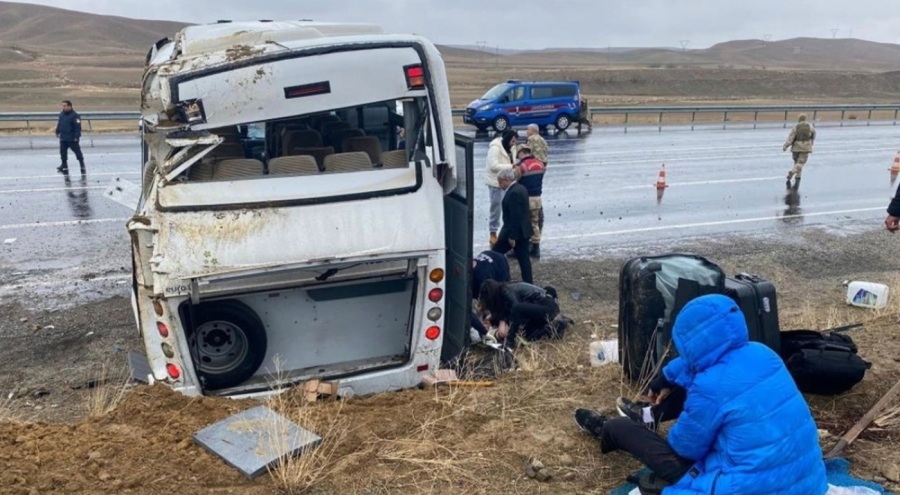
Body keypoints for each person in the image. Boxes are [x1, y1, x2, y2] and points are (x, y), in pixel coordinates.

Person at [574, 294, 827, 495]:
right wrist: (666, 377)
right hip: (806, 482)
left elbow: (685, 448)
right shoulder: (763, 353)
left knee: (621, 427)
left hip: (743, 487)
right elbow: (708, 367)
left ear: (689, 341)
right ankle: (648, 416)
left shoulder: (709, 387)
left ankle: (606, 428)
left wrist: (683, 413)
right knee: (705, 397)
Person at [477, 279, 569, 346]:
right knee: (529, 336)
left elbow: (517, 312)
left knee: (517, 313)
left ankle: (510, 342)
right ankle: (556, 327)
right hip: (539, 309)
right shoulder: (503, 292)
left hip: (547, 307)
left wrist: (507, 330)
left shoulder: (507, 292)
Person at [492, 168, 533, 284]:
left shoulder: (514, 193)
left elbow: (515, 216)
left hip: (513, 232)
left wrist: (512, 236)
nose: (500, 185)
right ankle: (528, 282)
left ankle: (499, 278)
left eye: (500, 182)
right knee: (524, 259)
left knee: (495, 253)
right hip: (524, 231)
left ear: (506, 180)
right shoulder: (521, 188)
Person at [469, 250, 511, 342]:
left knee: (503, 294)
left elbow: (494, 297)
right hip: (488, 258)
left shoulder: (483, 278)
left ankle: (499, 320)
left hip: (499, 262)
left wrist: (496, 317)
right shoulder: (469, 277)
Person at [485, 130, 517, 245]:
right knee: (496, 209)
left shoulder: (512, 148)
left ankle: (506, 233)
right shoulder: (495, 148)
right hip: (496, 183)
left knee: (508, 208)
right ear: (508, 139)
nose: (514, 143)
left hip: (508, 182)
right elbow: (493, 166)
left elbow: (514, 160)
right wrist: (510, 166)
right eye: (513, 141)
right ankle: (493, 233)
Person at [515, 146, 546, 259]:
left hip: (524, 199)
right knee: (534, 223)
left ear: (522, 153)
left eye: (518, 154)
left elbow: (514, 178)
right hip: (537, 198)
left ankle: (521, 247)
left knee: (521, 223)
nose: (518, 157)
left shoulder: (522, 166)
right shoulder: (540, 164)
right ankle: (536, 248)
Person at [782, 113, 816, 189]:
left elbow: (791, 138)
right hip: (805, 147)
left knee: (796, 162)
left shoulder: (795, 127)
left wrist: (786, 146)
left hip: (796, 147)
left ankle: (798, 176)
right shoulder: (810, 126)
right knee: (800, 162)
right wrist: (811, 142)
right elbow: (813, 135)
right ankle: (793, 172)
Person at [56, 100, 85, 174]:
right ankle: (64, 164)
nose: (64, 107)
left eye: (65, 106)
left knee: (77, 151)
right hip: (63, 137)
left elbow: (77, 127)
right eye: (63, 106)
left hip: (71, 138)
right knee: (63, 152)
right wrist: (57, 131)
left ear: (70, 106)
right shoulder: (62, 114)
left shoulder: (75, 115)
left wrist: (76, 136)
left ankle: (82, 164)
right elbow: (60, 123)